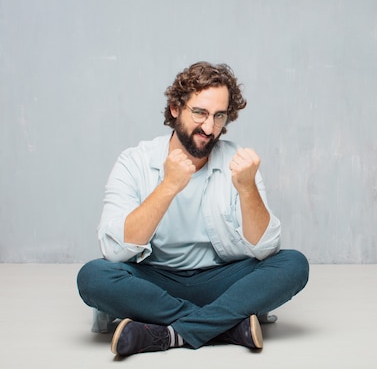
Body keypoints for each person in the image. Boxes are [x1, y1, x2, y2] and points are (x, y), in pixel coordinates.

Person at [77, 62, 309, 356]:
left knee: (293, 265)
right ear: (175, 108)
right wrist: (168, 187)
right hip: (154, 282)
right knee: (93, 277)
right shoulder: (134, 162)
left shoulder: (238, 161)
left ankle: (169, 333)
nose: (209, 128)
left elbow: (265, 249)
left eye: (219, 116)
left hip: (221, 280)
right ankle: (225, 324)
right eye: (199, 112)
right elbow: (113, 250)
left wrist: (248, 189)